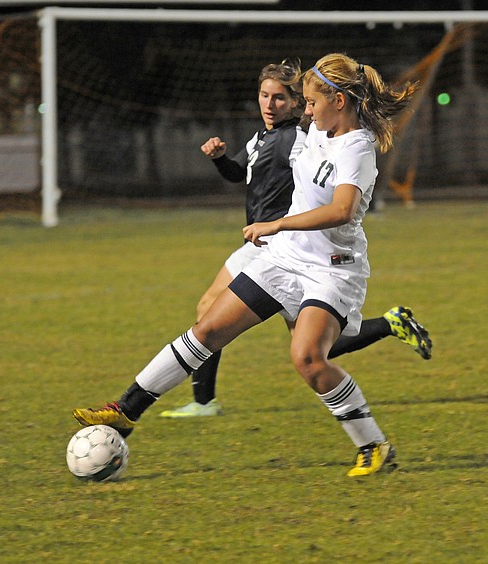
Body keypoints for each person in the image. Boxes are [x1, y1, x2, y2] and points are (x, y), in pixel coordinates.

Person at [74, 52, 420, 477]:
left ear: (339, 102)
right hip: (284, 258)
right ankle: (125, 410)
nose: (307, 111)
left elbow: (341, 210)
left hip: (331, 268)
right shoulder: (317, 128)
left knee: (309, 358)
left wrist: (276, 223)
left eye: (312, 103)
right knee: (207, 331)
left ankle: (373, 446)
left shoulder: (358, 148)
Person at [159, 59, 432, 419]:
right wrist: (220, 158)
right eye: (264, 95)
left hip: (281, 244)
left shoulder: (301, 138)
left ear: (295, 103)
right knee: (311, 346)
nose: (269, 104)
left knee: (215, 312)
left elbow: (330, 188)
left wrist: (281, 224)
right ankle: (390, 323)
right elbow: (239, 172)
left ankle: (203, 401)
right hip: (266, 241)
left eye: (279, 98)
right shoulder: (262, 137)